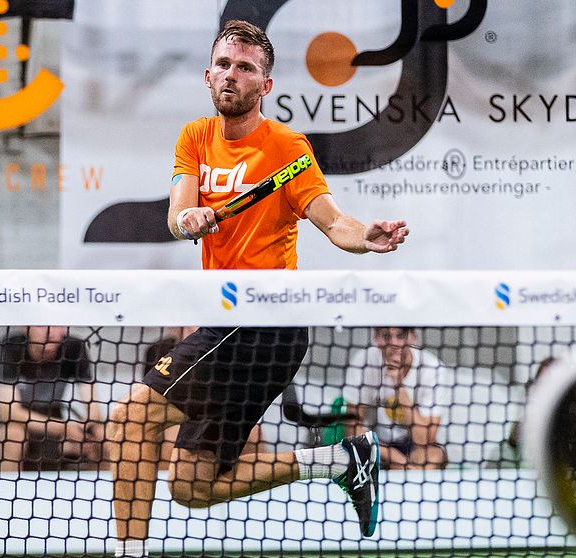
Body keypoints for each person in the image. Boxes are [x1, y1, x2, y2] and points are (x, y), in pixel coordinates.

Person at [107, 20, 409, 557]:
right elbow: (178, 216)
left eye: (246, 68)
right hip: (226, 321)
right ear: (208, 76)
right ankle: (340, 459)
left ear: (264, 86)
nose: (232, 74)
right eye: (224, 64)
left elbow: (334, 223)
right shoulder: (194, 138)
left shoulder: (287, 147)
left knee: (133, 415)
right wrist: (190, 218)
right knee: (190, 487)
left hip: (268, 322)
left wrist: (368, 236)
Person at [143, 327, 266, 471]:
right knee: (170, 436)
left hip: (220, 406)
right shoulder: (158, 350)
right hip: (177, 410)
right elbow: (152, 392)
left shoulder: (227, 343)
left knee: (255, 435)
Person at [0, 326, 105, 471]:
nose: (50, 332)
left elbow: (94, 409)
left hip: (54, 422)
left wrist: (83, 433)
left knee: (104, 437)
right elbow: (9, 413)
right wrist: (65, 428)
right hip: (14, 426)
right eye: (41, 325)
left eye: (56, 324)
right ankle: (5, 493)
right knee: (13, 438)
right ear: (26, 328)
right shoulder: (10, 347)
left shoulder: (75, 347)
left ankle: (100, 492)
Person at [343, 327, 450, 470]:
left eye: (401, 336)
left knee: (435, 456)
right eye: (386, 336)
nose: (394, 344)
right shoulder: (363, 362)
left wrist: (399, 386)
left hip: (413, 448)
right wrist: (390, 455)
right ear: (376, 338)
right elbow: (352, 427)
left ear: (413, 338)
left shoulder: (433, 369)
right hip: (374, 446)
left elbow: (424, 440)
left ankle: (411, 482)